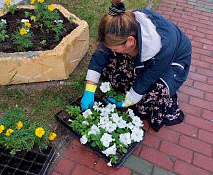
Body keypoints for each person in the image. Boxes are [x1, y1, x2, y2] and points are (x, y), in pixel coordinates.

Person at [81, 0, 192, 132]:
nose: (113, 51)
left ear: (130, 41)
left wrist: (127, 101)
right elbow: (100, 56)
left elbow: (146, 79)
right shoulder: (119, 26)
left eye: (115, 48)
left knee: (156, 89)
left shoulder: (161, 48)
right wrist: (89, 90)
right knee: (110, 60)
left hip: (174, 60)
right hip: (146, 52)